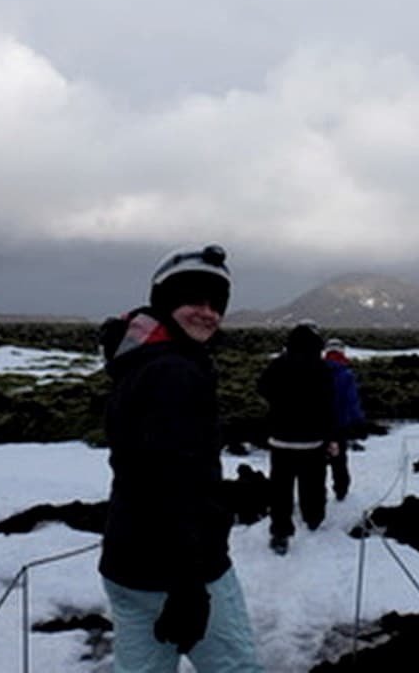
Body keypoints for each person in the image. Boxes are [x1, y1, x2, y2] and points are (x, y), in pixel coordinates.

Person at [98, 244, 262, 672]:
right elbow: (175, 483)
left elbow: (143, 470)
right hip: (179, 570)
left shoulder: (136, 360)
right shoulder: (175, 372)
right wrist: (189, 583)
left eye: (216, 304)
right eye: (194, 300)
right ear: (165, 302)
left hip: (126, 561)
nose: (207, 313)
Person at [258, 321, 337, 555]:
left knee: (280, 488)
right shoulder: (321, 368)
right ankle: (313, 518)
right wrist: (330, 437)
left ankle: (280, 532)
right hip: (312, 440)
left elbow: (262, 388)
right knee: (312, 483)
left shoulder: (278, 365)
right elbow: (328, 407)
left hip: (281, 439)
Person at [323, 338, 366, 502]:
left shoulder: (317, 371)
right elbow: (352, 401)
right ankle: (341, 491)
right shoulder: (346, 374)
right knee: (339, 459)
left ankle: (317, 494)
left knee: (317, 459)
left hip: (319, 424)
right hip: (339, 425)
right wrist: (359, 420)